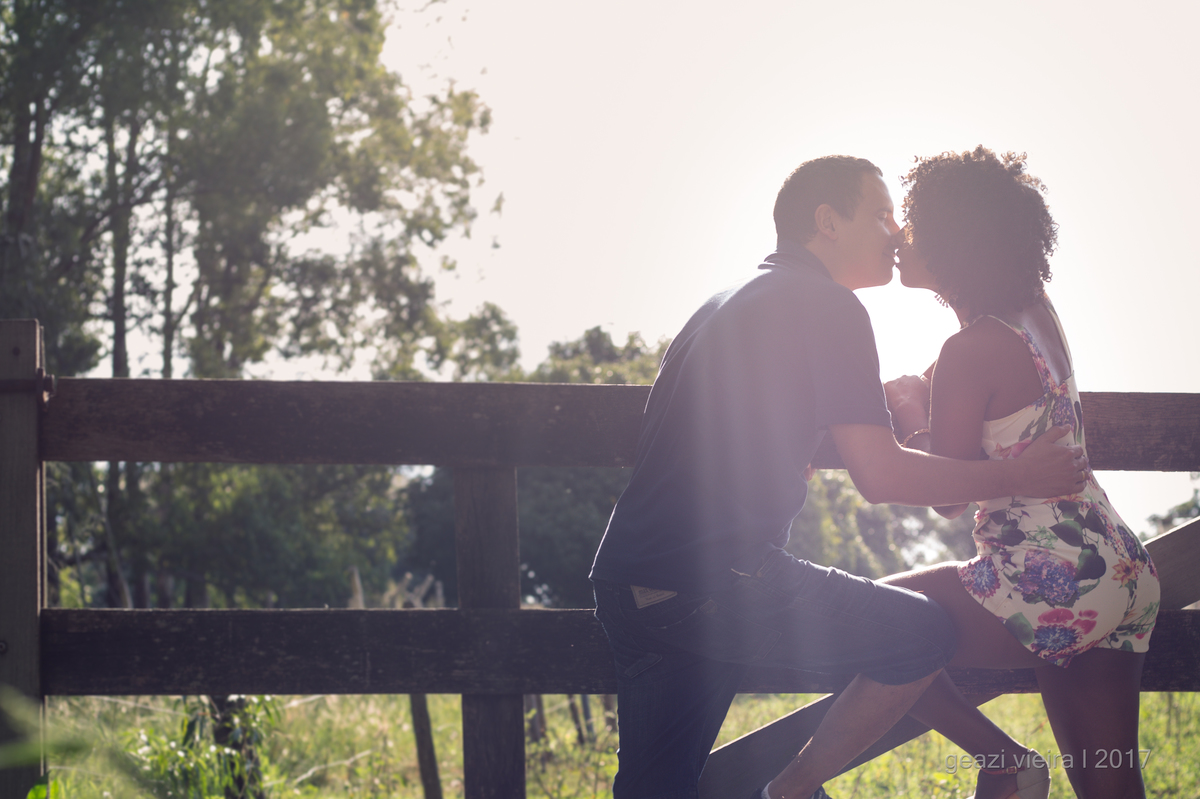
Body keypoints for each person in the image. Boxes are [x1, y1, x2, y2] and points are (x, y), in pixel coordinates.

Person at [588, 155, 1090, 799]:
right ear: (827, 222)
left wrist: (800, 441)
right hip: (717, 578)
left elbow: (726, 421)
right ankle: (793, 790)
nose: (897, 231)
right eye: (881, 215)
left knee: (655, 788)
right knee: (919, 634)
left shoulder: (729, 300)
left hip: (630, 578)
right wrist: (1019, 474)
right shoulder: (830, 306)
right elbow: (880, 476)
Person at [881, 146, 1160, 799]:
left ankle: (1003, 761)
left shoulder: (968, 349)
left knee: (869, 623)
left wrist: (910, 411)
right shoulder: (1035, 311)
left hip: (1048, 577)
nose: (899, 237)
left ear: (953, 240)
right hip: (1119, 567)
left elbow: (948, 496)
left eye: (914, 224)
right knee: (1110, 786)